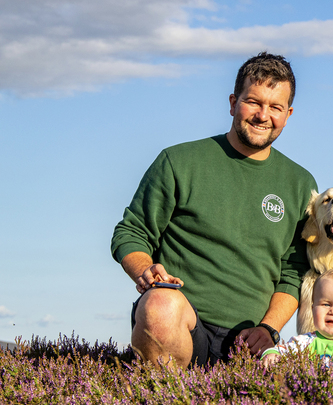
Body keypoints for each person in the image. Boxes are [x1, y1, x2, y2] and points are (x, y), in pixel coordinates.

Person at [110, 52, 317, 367]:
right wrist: (145, 271)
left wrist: (270, 329)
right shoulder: (179, 161)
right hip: (185, 326)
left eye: (275, 107)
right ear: (233, 102)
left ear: (288, 114)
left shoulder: (300, 184)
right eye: (253, 102)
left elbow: (294, 271)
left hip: (250, 343)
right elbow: (131, 232)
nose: (263, 115)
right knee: (160, 305)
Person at [262, 267, 333, 367]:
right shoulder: (304, 342)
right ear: (312, 309)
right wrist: (272, 356)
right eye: (326, 304)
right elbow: (279, 351)